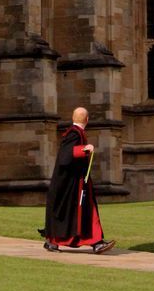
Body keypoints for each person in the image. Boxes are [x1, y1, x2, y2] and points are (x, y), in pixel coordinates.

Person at [42, 107, 115, 254]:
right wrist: (84, 149)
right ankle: (96, 242)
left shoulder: (75, 133)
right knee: (86, 210)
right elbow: (65, 156)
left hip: (74, 182)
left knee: (74, 212)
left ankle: (56, 242)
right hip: (71, 183)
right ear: (87, 120)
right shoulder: (74, 134)